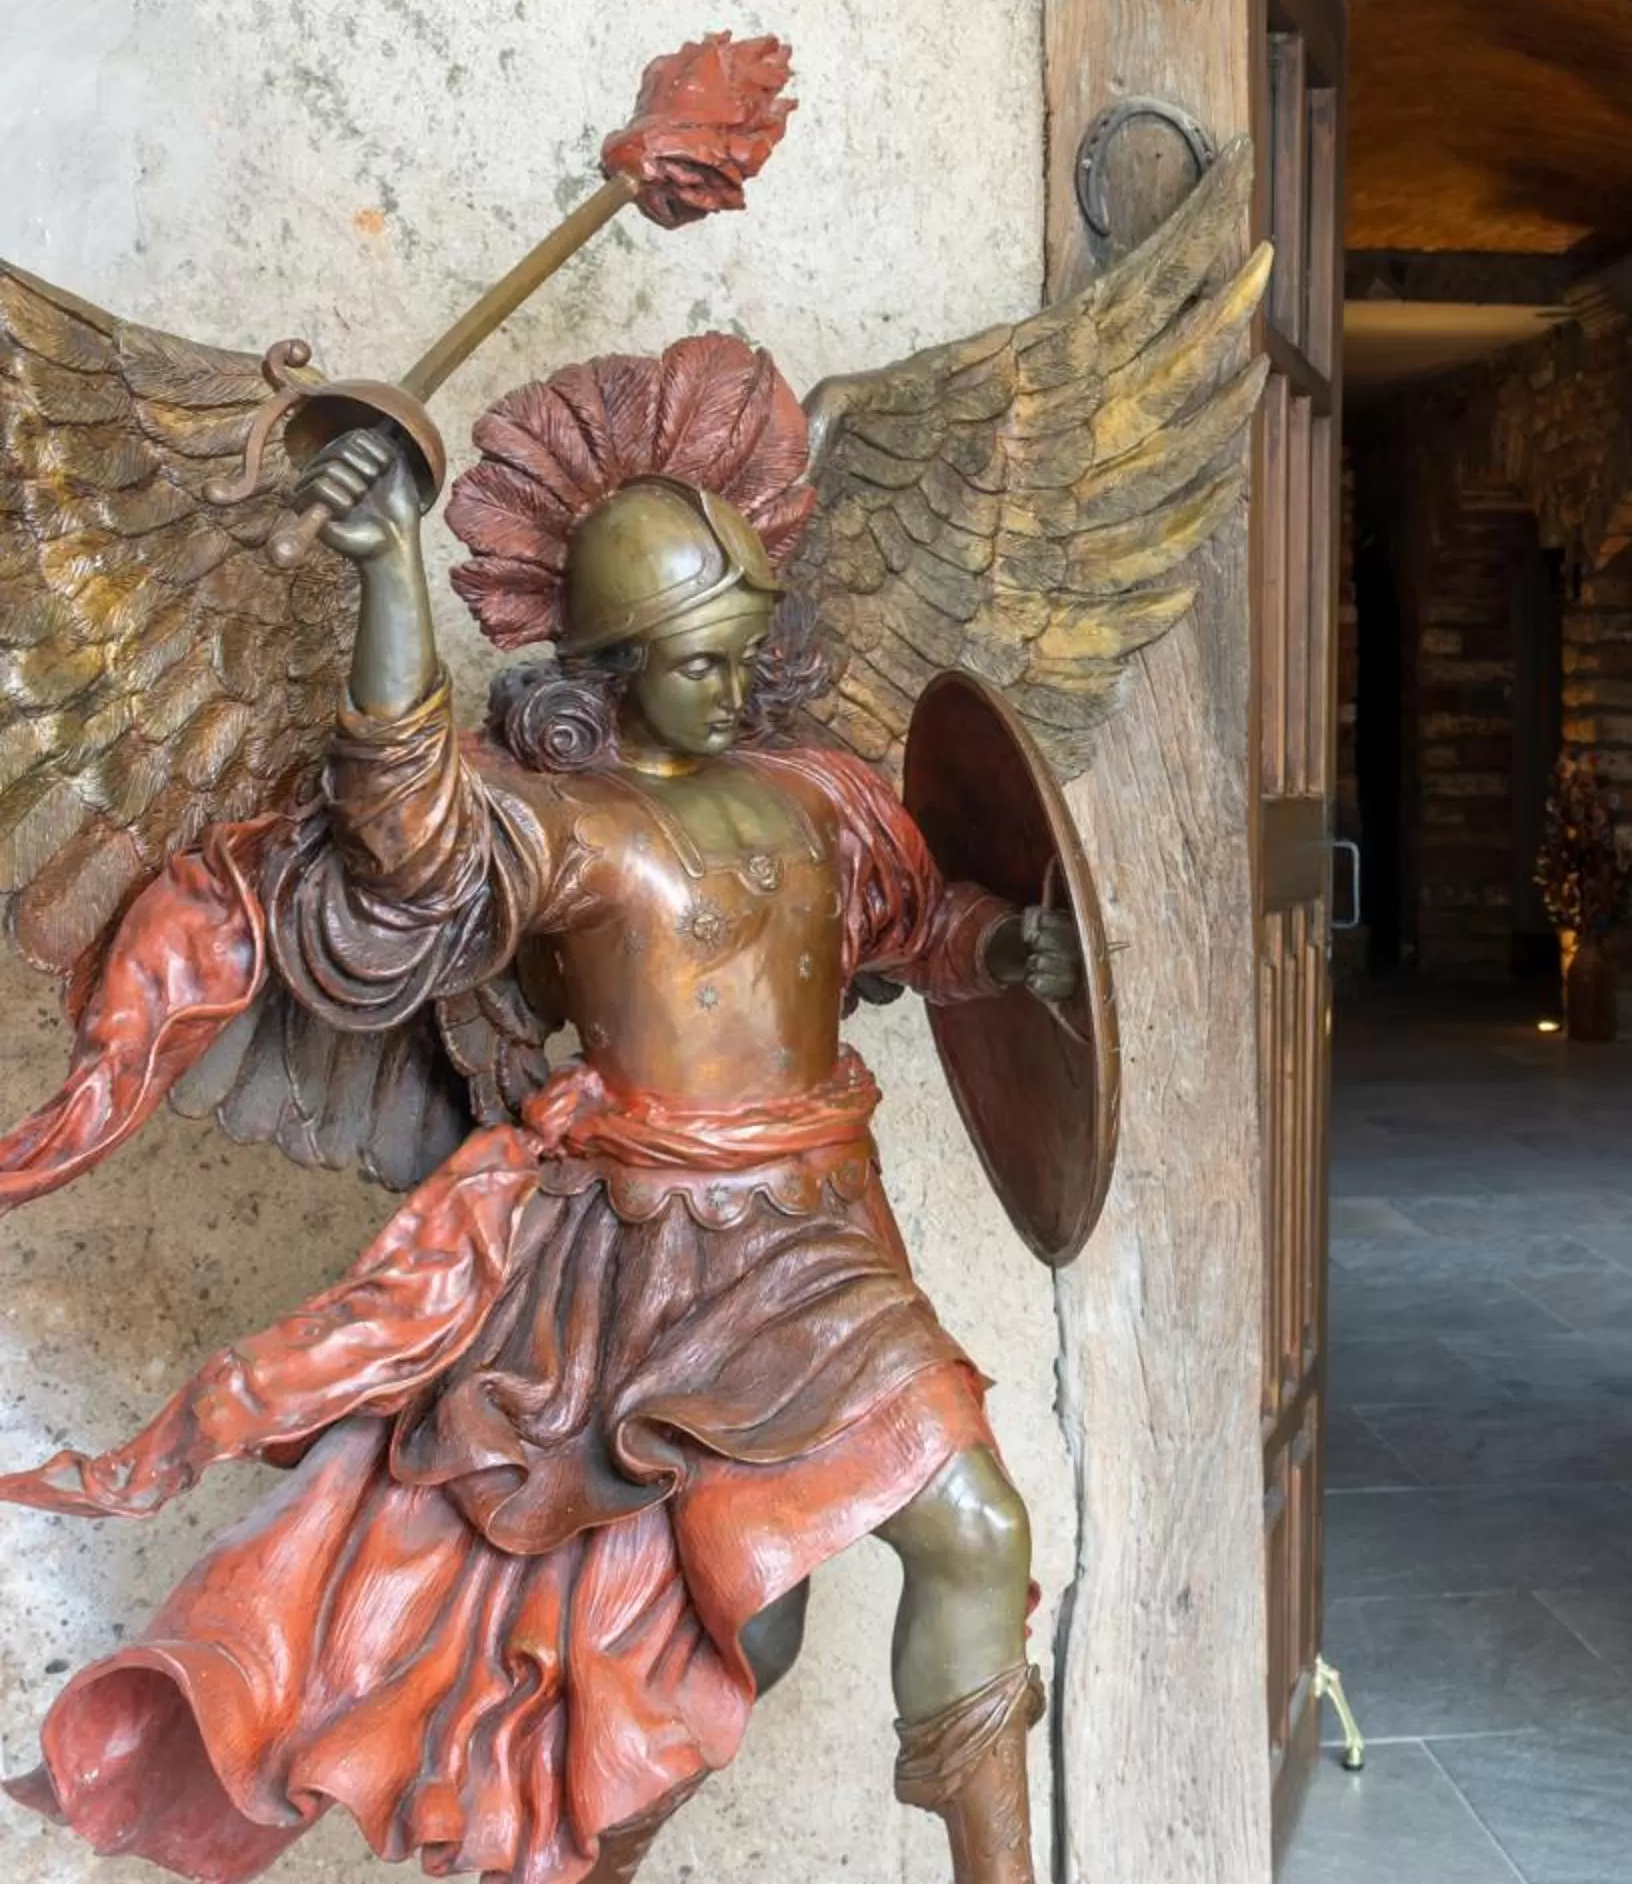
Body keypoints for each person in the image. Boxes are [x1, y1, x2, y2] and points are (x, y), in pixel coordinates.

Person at [0, 340, 1078, 1884]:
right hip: (649, 1265)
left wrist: (1004, 942)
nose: (735, 682)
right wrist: (382, 570)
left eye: (744, 645)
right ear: (612, 659)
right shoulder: (561, 826)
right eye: (697, 656)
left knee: (970, 1522)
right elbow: (410, 834)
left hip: (826, 1239)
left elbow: (909, 921)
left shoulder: (818, 793)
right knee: (720, 1642)